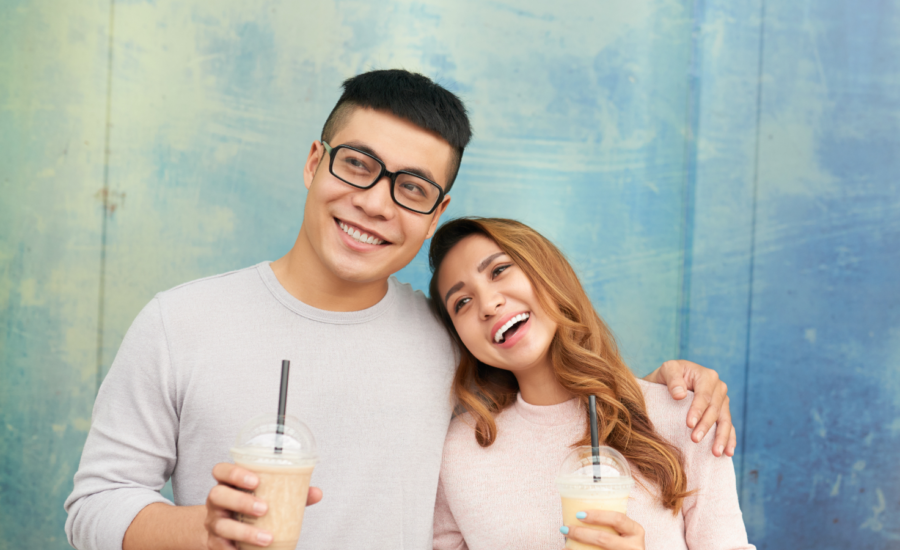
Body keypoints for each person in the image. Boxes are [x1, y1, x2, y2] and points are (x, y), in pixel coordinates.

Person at [64, 70, 736, 550]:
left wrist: (674, 388)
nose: (376, 203)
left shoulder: (452, 338)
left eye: (410, 187)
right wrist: (201, 531)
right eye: (358, 165)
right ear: (313, 162)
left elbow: (551, 397)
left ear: (435, 212)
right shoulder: (179, 323)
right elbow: (95, 505)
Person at [429, 218, 753, 550]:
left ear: (546, 271)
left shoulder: (686, 418)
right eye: (461, 303)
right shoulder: (457, 454)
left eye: (498, 271)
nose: (487, 304)